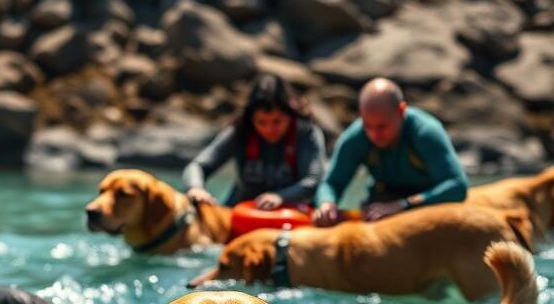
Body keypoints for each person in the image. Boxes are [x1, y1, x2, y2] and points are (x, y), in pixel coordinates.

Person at [314, 77, 468, 226]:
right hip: (382, 202)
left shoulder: (425, 132)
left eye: (382, 127)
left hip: (426, 201)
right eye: (368, 125)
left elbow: (457, 185)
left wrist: (404, 204)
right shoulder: (356, 137)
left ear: (401, 111)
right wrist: (327, 203)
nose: (375, 135)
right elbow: (332, 183)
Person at [183, 74, 326, 211]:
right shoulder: (241, 130)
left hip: (291, 215)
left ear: (290, 115)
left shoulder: (306, 132)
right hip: (242, 210)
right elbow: (198, 166)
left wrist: (280, 197)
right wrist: (196, 188)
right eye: (261, 122)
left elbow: (311, 181)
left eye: (277, 121)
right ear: (251, 119)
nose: (269, 129)